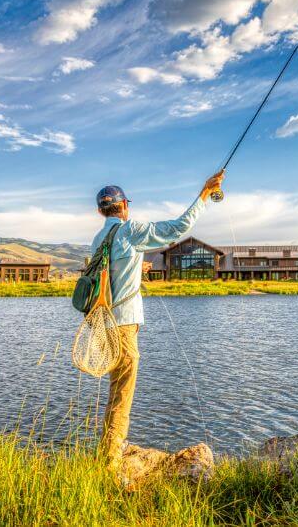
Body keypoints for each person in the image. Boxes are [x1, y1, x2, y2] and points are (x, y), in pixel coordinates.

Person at [91, 171, 224, 468]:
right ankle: (110, 459)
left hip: (103, 323)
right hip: (123, 325)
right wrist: (205, 194)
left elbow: (110, 277)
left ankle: (110, 446)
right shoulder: (130, 230)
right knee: (123, 389)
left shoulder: (99, 238)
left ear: (100, 210)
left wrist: (136, 270)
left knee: (116, 386)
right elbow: (178, 228)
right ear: (125, 205)